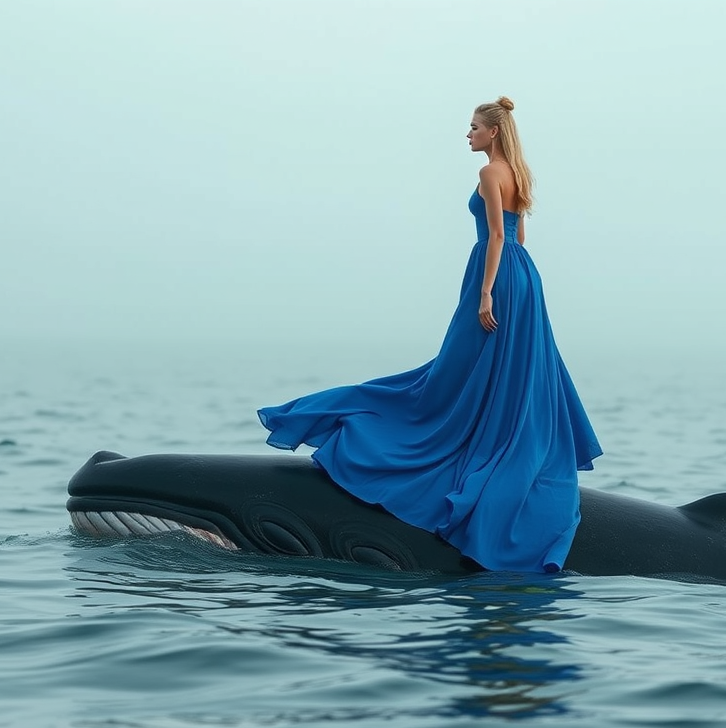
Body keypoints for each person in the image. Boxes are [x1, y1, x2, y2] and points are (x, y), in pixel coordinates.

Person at [257, 97, 602, 573]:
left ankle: (408, 440)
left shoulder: (488, 174)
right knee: (497, 374)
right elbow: (521, 240)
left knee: (451, 375)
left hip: (495, 274)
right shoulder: (519, 173)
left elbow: (498, 237)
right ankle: (489, 442)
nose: (468, 134)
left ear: (493, 132)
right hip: (524, 279)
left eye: (474, 127)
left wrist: (485, 292)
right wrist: (511, 284)